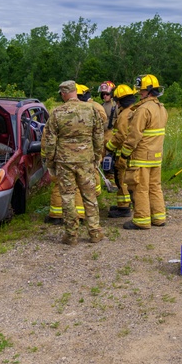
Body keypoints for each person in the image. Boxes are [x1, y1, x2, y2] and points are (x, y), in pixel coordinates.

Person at [41, 80, 104, 245]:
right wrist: (97, 156)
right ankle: (95, 232)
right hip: (86, 160)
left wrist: (50, 162)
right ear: (76, 91)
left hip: (65, 161)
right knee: (89, 196)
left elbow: (50, 140)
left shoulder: (57, 112)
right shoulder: (91, 109)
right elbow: (98, 135)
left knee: (68, 197)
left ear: (63, 94)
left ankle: (71, 235)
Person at [121, 74, 169, 230]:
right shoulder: (161, 108)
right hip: (156, 157)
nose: (139, 94)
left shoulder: (143, 110)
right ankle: (159, 218)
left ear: (148, 91)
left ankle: (141, 220)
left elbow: (134, 135)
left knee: (140, 188)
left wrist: (124, 153)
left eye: (141, 91)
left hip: (142, 157)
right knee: (155, 187)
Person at [105, 83, 138, 218]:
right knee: (124, 179)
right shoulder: (133, 110)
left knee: (121, 179)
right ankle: (123, 205)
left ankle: (124, 208)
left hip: (124, 153)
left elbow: (121, 136)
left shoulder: (124, 115)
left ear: (120, 101)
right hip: (131, 152)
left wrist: (109, 147)